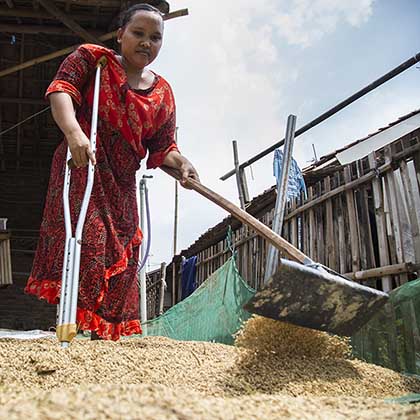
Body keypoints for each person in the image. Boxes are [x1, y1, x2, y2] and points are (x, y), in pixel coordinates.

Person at [25, 3, 199, 340]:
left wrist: (183, 165)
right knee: (89, 244)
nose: (147, 43)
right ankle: (69, 330)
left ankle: (102, 341)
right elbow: (61, 91)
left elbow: (164, 147)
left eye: (155, 38)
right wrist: (73, 133)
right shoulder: (93, 59)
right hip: (84, 166)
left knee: (123, 261)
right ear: (120, 34)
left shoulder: (162, 93)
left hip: (121, 183)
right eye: (138, 33)